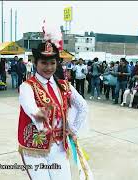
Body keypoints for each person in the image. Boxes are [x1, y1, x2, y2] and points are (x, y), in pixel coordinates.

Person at [18, 41, 89, 180]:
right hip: (35, 149)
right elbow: (31, 108)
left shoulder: (64, 85)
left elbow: (83, 106)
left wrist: (73, 129)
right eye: (44, 63)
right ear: (35, 62)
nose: (49, 67)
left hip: (60, 147)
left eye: (52, 63)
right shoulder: (27, 87)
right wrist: (40, 118)